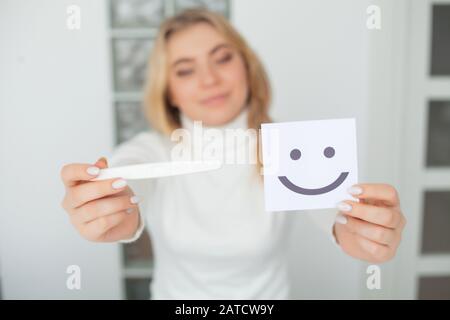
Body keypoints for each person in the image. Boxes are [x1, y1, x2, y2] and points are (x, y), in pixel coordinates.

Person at [60, 9, 406, 299]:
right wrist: (110, 206)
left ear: (246, 66)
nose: (209, 78)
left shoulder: (289, 148)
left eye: (222, 58)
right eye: (185, 69)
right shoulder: (152, 150)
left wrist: (360, 231)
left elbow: (336, 212)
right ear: (170, 93)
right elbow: (127, 172)